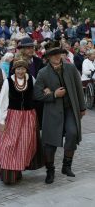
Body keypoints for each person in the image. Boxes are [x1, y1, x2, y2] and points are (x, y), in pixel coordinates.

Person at [34, 41, 86, 184]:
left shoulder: (70, 68)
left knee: (72, 133)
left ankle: (66, 166)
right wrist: (54, 95)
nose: (57, 56)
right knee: (49, 142)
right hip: (52, 111)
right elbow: (37, 95)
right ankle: (50, 171)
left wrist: (82, 108)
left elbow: (79, 88)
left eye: (58, 53)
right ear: (48, 57)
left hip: (70, 109)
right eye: (53, 54)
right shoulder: (42, 73)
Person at [0, 60, 43, 184]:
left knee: (24, 145)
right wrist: (2, 120)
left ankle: (17, 171)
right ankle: (7, 175)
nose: (20, 71)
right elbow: (3, 102)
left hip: (28, 116)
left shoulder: (31, 79)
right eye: (18, 69)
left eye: (23, 68)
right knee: (10, 144)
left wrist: (45, 91)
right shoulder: (8, 82)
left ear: (26, 69)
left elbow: (37, 93)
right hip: (13, 116)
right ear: (14, 70)